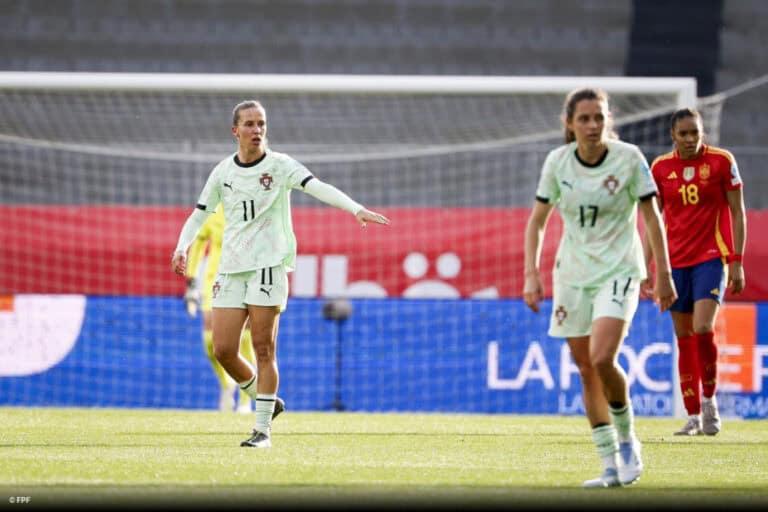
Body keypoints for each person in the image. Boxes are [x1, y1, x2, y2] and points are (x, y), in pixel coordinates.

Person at [172, 100, 390, 448]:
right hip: (231, 269)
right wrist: (182, 246)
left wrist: (355, 209)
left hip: (267, 267)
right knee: (223, 348)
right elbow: (199, 214)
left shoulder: (280, 165)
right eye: (249, 124)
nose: (257, 130)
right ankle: (265, 400)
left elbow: (317, 186)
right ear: (235, 131)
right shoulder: (223, 172)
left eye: (261, 123)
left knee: (263, 349)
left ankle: (262, 431)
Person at [522, 88, 677, 488]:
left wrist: (663, 272)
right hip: (572, 275)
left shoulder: (629, 158)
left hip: (619, 270)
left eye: (599, 117)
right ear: (570, 124)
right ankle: (609, 464)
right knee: (587, 369)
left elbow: (652, 217)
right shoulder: (557, 162)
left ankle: (628, 442)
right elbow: (537, 221)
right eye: (584, 119)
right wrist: (531, 273)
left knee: (603, 357)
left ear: (609, 120)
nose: (593, 125)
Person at [647, 108, 746, 436]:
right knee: (684, 337)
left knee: (703, 327)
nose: (690, 139)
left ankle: (709, 400)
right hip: (675, 263)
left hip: (710, 258)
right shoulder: (660, 168)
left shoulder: (721, 161)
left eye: (695, 133)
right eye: (684, 134)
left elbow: (737, 211)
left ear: (702, 132)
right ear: (673, 136)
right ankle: (692, 417)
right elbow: (653, 221)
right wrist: (647, 267)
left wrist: (736, 260)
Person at [185, 207, 264, 414]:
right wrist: (191, 279)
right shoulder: (215, 209)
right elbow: (199, 241)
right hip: (215, 280)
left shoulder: (254, 205)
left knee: (244, 337)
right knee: (210, 340)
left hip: (245, 277)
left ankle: (245, 400)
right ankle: (227, 381)